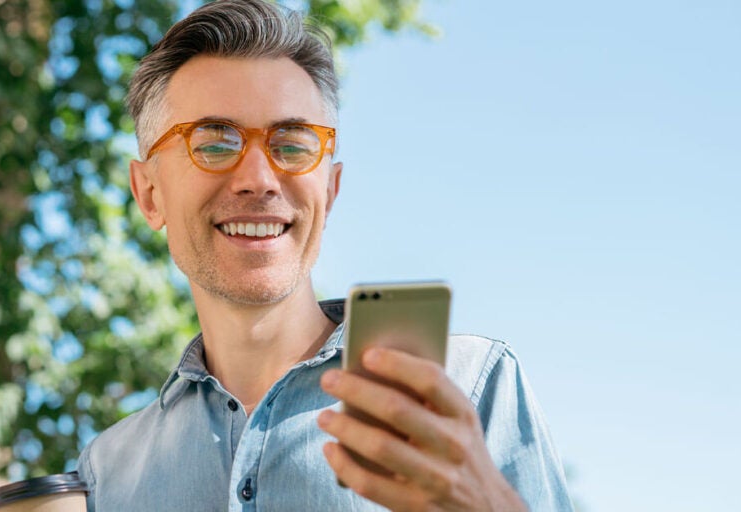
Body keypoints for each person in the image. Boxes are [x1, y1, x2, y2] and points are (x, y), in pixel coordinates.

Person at [76, 1, 573, 510]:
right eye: (215, 142)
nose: (259, 180)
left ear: (329, 192)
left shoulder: (470, 385)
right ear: (149, 194)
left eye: (291, 145)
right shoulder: (106, 472)